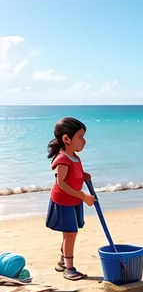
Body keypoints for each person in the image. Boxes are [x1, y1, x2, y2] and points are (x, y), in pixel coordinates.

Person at [46, 117, 95, 281]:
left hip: (73, 200)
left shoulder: (74, 157)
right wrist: (83, 196)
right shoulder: (63, 160)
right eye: (80, 137)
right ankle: (69, 269)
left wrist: (83, 176)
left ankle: (62, 261)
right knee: (71, 233)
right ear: (67, 139)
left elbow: (74, 177)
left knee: (70, 233)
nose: (84, 141)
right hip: (63, 201)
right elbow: (61, 184)